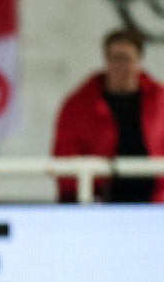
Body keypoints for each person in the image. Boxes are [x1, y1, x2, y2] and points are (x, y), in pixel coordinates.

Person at [53, 28, 164, 202]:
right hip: (101, 199)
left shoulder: (159, 100)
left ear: (139, 61)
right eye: (114, 58)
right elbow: (64, 156)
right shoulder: (80, 103)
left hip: (154, 200)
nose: (120, 66)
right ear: (106, 60)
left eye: (126, 59)